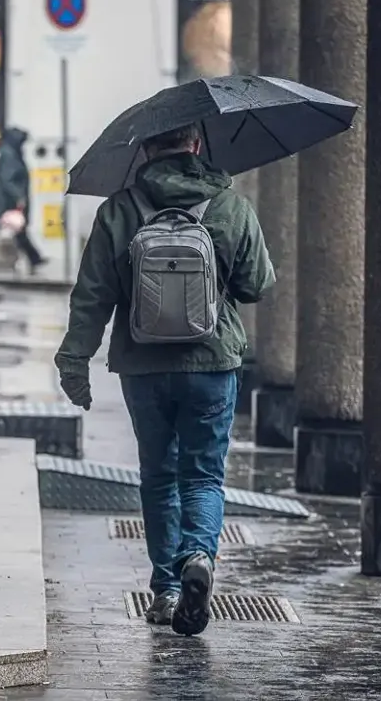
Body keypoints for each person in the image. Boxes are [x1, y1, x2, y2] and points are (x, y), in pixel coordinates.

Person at [53, 123, 274, 636]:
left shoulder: (119, 210)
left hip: (143, 365)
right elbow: (258, 284)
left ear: (145, 149)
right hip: (212, 364)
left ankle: (165, 589)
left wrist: (74, 361)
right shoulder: (229, 205)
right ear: (196, 144)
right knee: (202, 475)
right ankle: (198, 554)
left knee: (158, 475)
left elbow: (92, 297)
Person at [0, 127, 47, 272]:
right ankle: (34, 257)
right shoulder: (10, 155)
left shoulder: (9, 152)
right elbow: (8, 179)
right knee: (6, 229)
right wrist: (18, 197)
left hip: (3, 199)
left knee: (4, 229)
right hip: (6, 200)